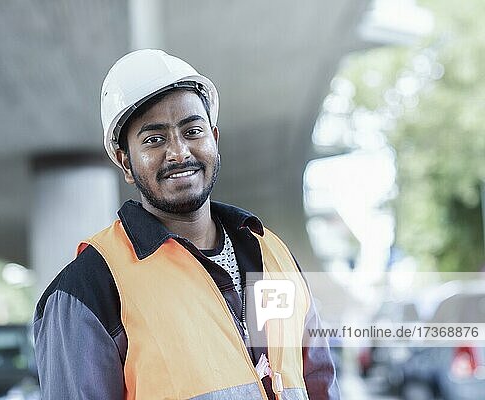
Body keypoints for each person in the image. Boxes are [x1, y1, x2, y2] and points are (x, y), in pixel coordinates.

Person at [33, 49, 340, 400]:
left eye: (192, 130)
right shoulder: (89, 287)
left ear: (214, 139)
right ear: (126, 162)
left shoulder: (273, 254)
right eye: (154, 139)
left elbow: (318, 381)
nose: (179, 152)